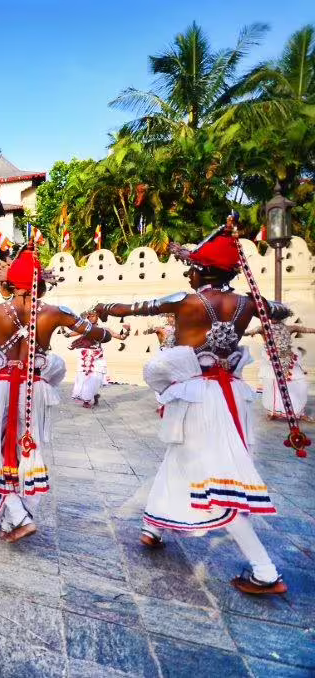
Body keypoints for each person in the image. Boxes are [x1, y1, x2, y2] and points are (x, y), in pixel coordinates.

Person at [94, 221, 291, 595]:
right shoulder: (247, 304)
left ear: (204, 270)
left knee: (217, 477)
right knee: (180, 459)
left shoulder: (184, 301)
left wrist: (102, 307)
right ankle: (155, 526)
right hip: (229, 394)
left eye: (193, 265)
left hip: (198, 398)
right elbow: (281, 310)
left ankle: (265, 570)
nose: (188, 271)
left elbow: (131, 307)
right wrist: (253, 303)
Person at [0, 247, 111, 543]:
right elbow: (96, 333)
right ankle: (9, 521)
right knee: (28, 449)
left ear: (11, 283)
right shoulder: (56, 313)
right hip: (35, 389)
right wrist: (107, 323)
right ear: (40, 282)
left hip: (1, 387)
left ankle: (20, 516)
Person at [244, 317, 313, 420]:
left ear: (282, 316)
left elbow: (307, 330)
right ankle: (274, 412)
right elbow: (246, 333)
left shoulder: (290, 328)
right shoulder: (263, 328)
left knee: (300, 384)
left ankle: (298, 412)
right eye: (272, 315)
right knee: (274, 386)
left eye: (277, 315)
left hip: (289, 358)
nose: (273, 318)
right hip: (272, 359)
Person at [69, 311, 129, 408]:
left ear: (97, 317)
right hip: (85, 356)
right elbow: (69, 334)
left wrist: (128, 331)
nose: (90, 318)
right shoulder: (84, 329)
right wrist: (63, 327)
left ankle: (93, 394)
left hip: (97, 355)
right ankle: (87, 400)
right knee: (84, 377)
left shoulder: (103, 329)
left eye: (93, 316)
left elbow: (121, 337)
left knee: (96, 377)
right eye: (89, 316)